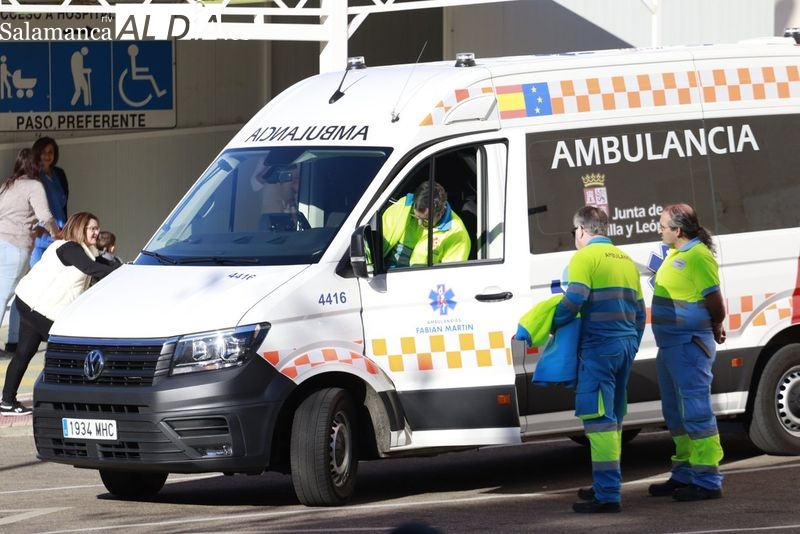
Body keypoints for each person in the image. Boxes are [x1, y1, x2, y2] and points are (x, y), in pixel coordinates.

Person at [552, 206, 645, 513]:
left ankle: (607, 495)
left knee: (598, 420)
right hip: (625, 345)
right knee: (614, 418)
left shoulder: (584, 258)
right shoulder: (626, 260)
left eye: (573, 232)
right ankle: (606, 485)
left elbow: (575, 297)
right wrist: (631, 344)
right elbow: (641, 314)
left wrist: (552, 320)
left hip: (599, 348)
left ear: (581, 230)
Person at [0, 212, 119, 416]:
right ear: (80, 228)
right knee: (71, 350)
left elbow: (104, 264)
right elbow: (92, 268)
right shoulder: (69, 248)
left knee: (25, 353)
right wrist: (120, 273)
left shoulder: (84, 250)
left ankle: (7, 402)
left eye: (97, 228)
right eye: (92, 228)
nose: (97, 232)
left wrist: (127, 269)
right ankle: (69, 402)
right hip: (38, 308)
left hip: (30, 304)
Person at [648, 203, 726, 501]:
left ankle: (707, 480)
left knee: (696, 412)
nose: (659, 229)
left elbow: (715, 301)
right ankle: (684, 473)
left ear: (677, 230)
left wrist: (716, 324)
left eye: (663, 226)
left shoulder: (697, 256)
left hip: (689, 346)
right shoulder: (677, 254)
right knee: (675, 413)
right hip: (671, 346)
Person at [5, 137, 69, 355]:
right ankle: (15, 339)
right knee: (25, 288)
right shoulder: (33, 180)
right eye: (43, 152)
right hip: (37, 239)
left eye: (51, 152)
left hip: (56, 237)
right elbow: (42, 214)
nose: (47, 156)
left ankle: (48, 333)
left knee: (54, 287)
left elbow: (63, 205)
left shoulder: (57, 175)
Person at [381, 181, 470, 268]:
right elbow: (376, 240)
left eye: (426, 221)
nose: (420, 223)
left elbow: (449, 276)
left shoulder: (457, 234)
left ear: (440, 213)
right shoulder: (403, 205)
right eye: (415, 216)